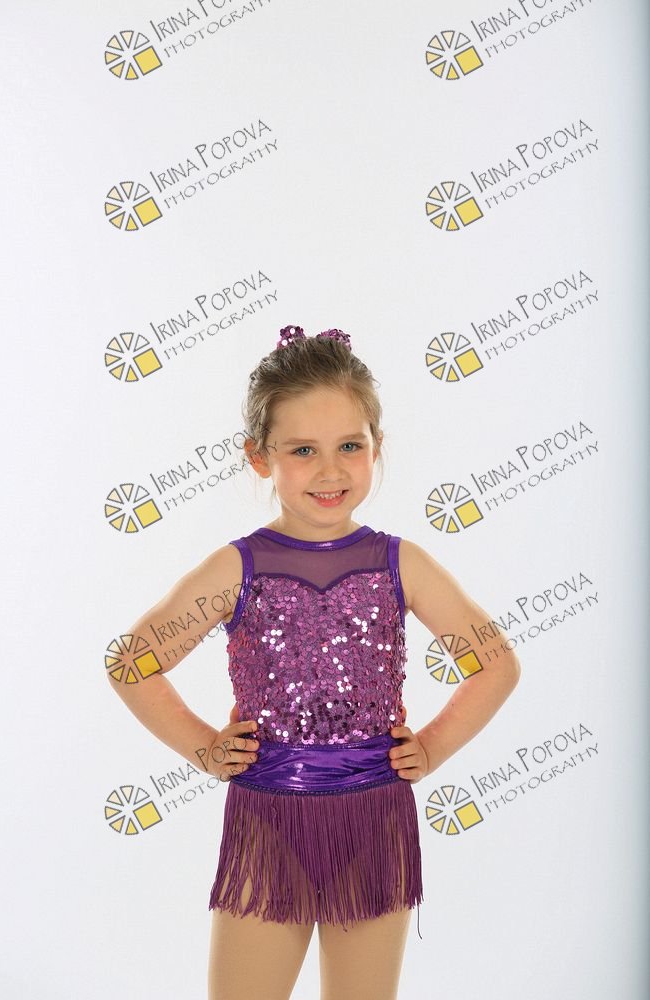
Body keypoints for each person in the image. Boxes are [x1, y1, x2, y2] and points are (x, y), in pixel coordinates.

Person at [108, 324, 521, 1000]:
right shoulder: (238, 568)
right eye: (303, 450)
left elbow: (494, 663)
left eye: (349, 446)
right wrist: (205, 749)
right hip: (269, 820)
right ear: (259, 457)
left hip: (375, 820)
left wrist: (432, 747)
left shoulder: (400, 563)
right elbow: (133, 662)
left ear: (376, 446)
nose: (330, 471)